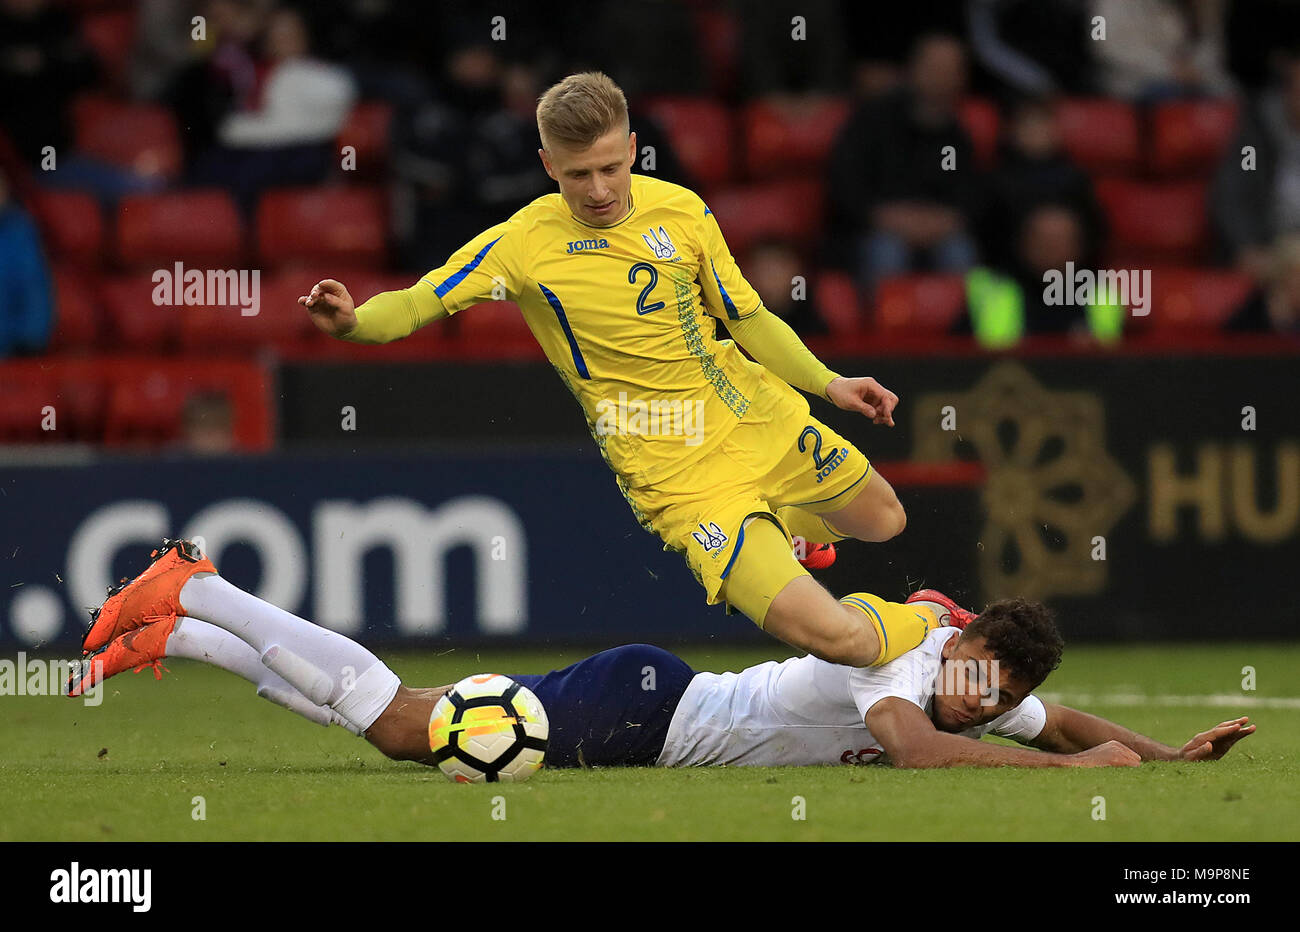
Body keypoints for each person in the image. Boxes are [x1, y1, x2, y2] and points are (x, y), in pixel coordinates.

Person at [300, 71, 925, 670]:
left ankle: (789, 532)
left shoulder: (682, 211)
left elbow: (749, 318)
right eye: (578, 175)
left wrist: (829, 383)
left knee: (883, 519)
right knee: (837, 638)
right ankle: (937, 624)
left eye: (610, 168)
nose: (599, 190)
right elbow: (416, 302)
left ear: (632, 149)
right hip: (674, 469)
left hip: (753, 413)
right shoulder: (523, 244)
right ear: (548, 166)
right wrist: (356, 322)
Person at [67, 539, 1256, 771]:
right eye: (975, 676)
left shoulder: (971, 701)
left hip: (647, 704)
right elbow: (906, 747)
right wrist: (1061, 778)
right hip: (645, 710)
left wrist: (1169, 759)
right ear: (965, 640)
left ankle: (189, 629)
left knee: (404, 723)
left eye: (993, 699)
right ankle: (204, 585)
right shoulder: (909, 662)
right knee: (402, 725)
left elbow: (1075, 723)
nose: (972, 700)